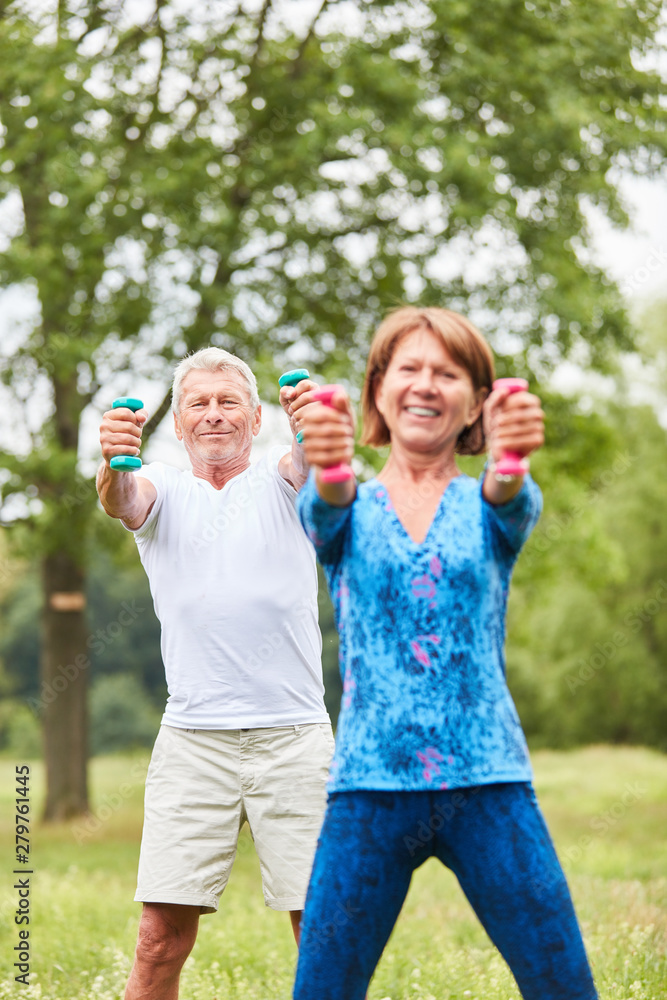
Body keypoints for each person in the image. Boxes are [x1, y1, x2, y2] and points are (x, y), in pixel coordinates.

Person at [291, 307, 598, 1000]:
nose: (425, 385)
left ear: (476, 403)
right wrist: (331, 463)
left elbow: (506, 492)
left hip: (487, 782)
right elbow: (325, 502)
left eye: (446, 373)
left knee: (563, 986)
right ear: (376, 390)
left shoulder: (493, 506)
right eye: (408, 369)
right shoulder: (344, 504)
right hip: (368, 788)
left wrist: (510, 459)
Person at [96, 348, 334, 1000]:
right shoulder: (162, 488)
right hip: (194, 741)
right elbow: (122, 498)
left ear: (257, 417)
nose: (213, 414)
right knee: (158, 941)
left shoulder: (281, 483)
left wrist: (314, 430)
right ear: (177, 422)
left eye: (228, 401)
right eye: (197, 402)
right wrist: (114, 458)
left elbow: (313, 469)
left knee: (323, 933)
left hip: (295, 737)